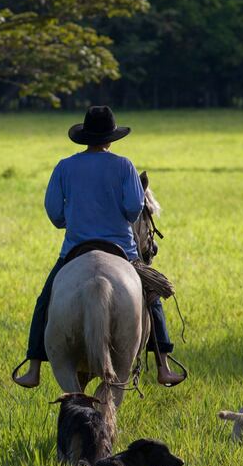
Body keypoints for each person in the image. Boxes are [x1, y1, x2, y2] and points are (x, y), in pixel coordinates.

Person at [12, 106, 185, 389]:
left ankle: (33, 367)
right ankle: (163, 364)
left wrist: (76, 217)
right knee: (152, 296)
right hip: (123, 252)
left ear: (84, 137)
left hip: (75, 250)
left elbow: (55, 213)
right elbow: (133, 209)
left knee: (45, 300)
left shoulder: (65, 166)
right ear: (111, 138)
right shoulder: (124, 165)